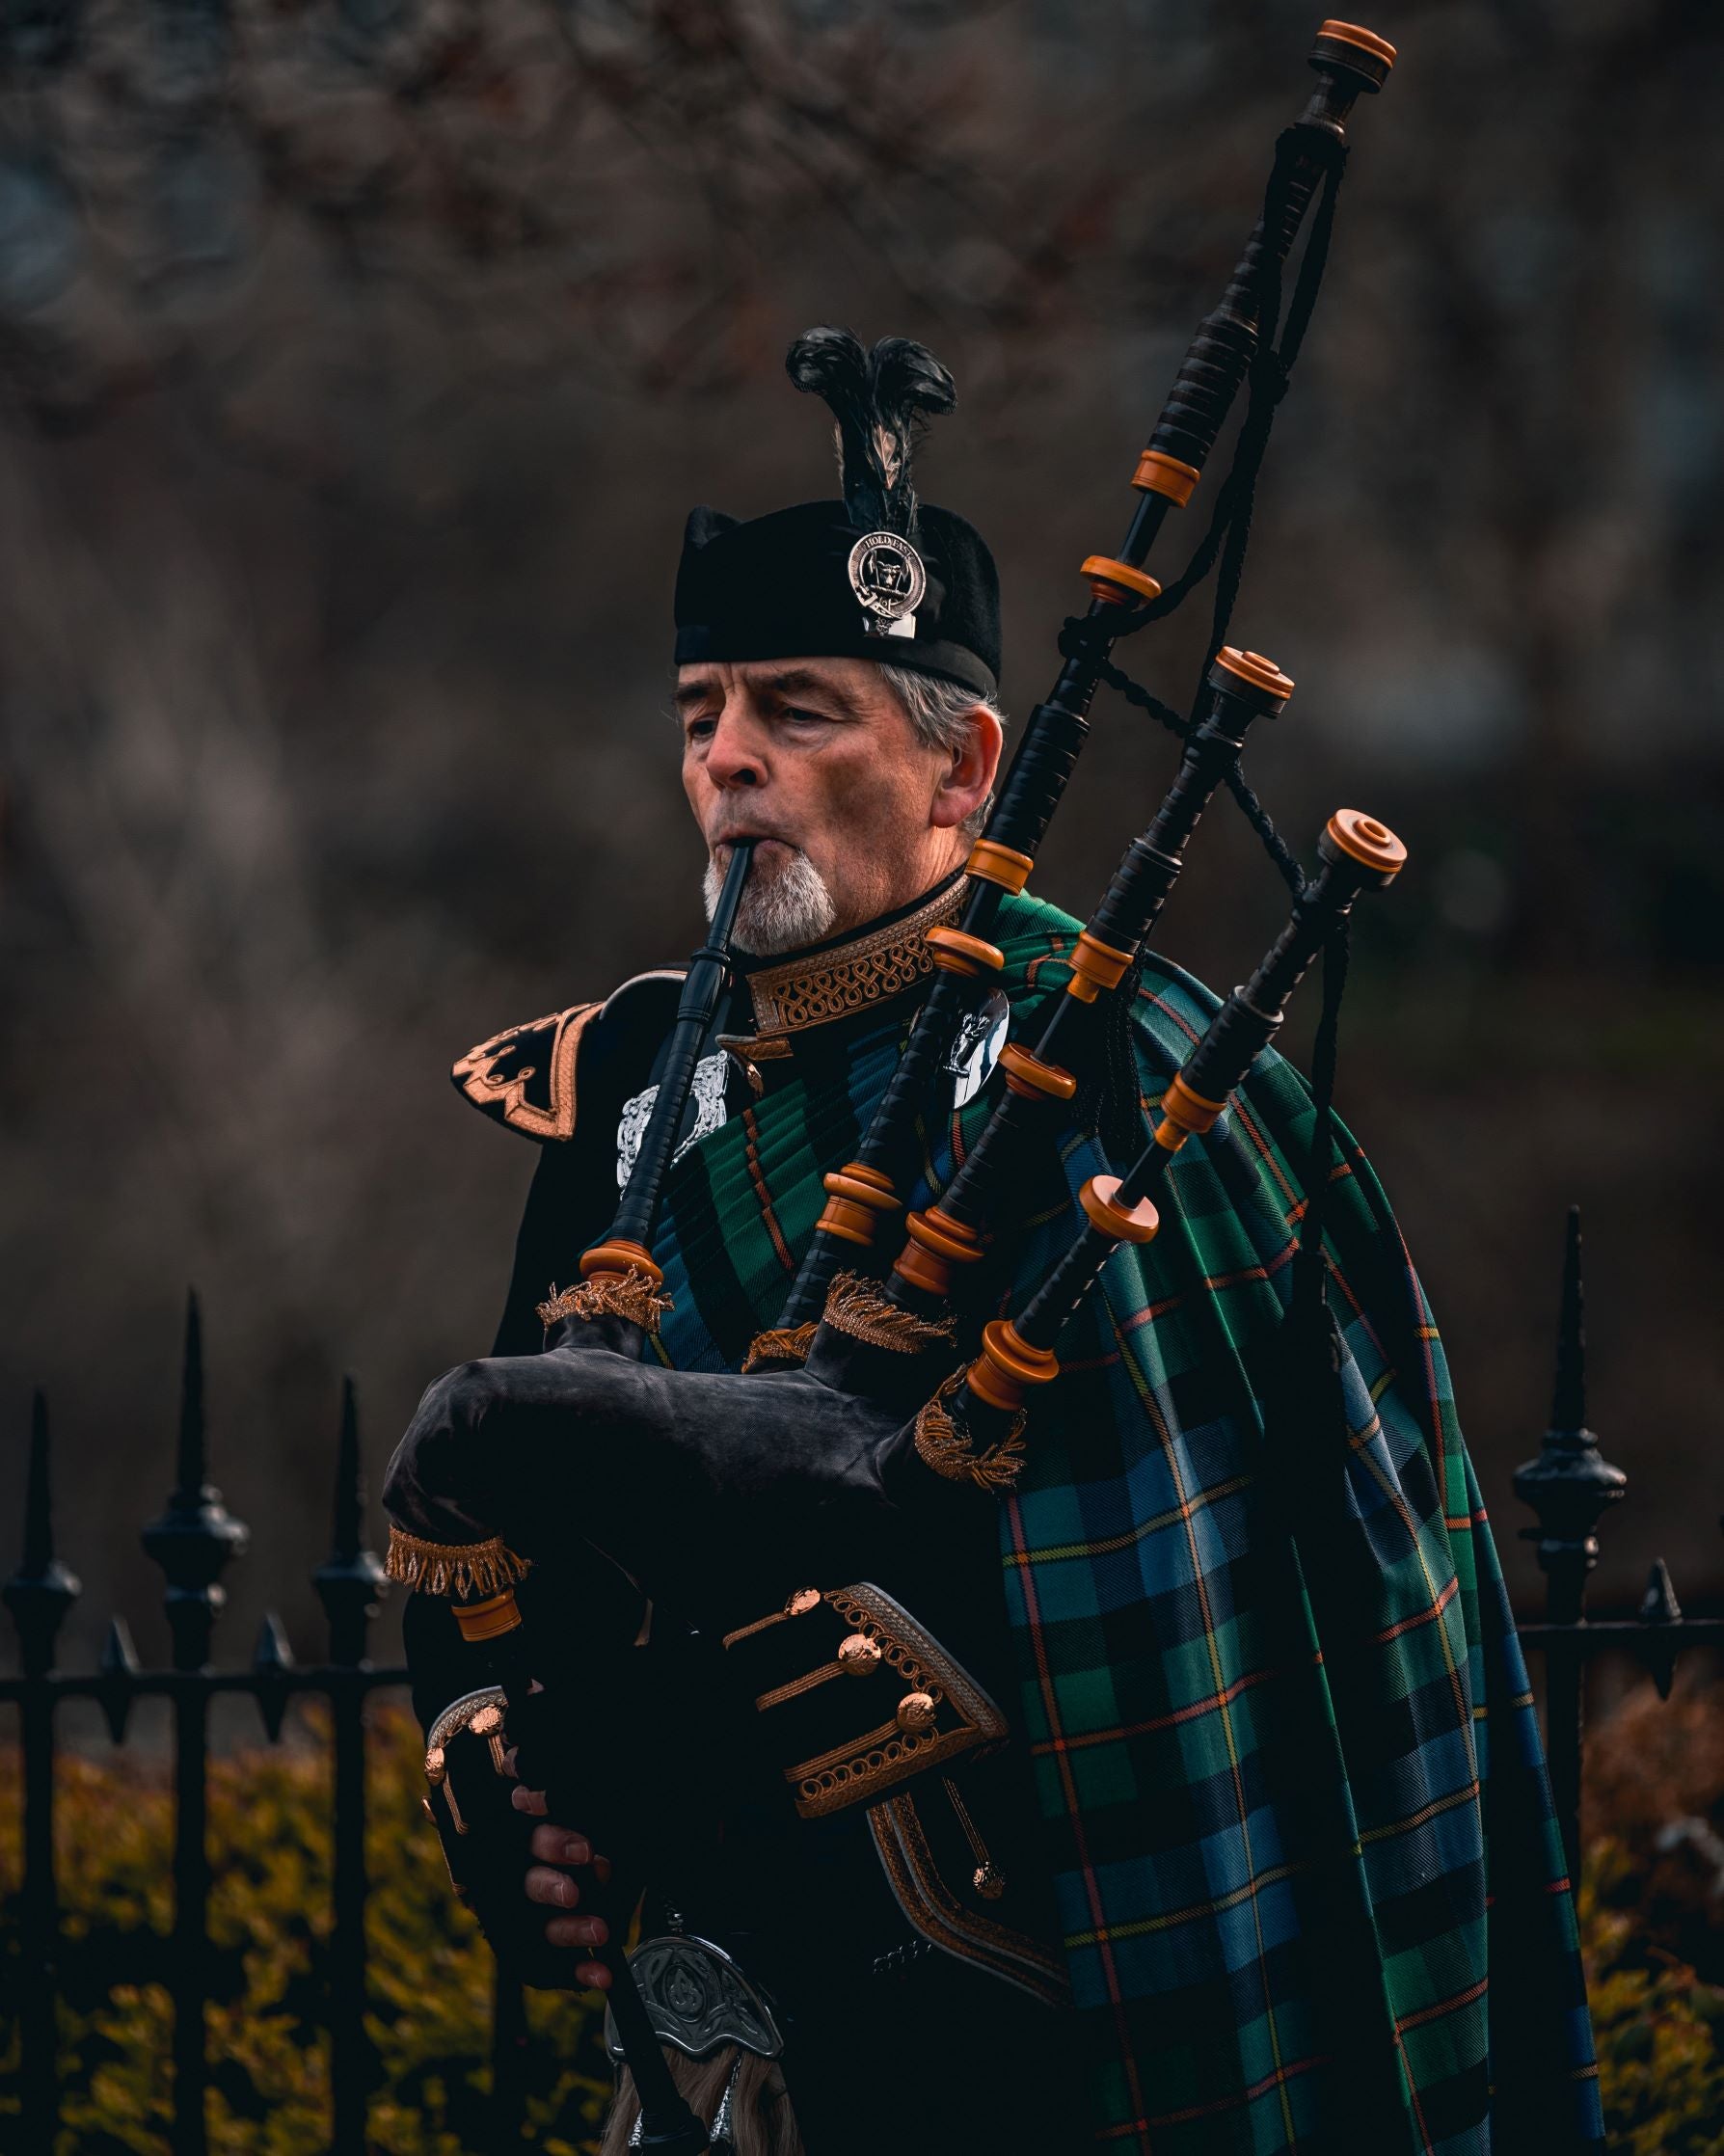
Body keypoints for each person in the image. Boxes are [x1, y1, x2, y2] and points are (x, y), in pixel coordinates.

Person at [399, 329, 1604, 2155]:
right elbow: (512, 1549)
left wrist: (805, 1622)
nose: (729, 761)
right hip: (728, 2012)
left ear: (964, 768)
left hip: (1055, 1983)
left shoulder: (1110, 1059)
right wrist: (506, 1759)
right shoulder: (625, 1085)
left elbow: (1178, 1584)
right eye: (699, 714)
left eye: (798, 711)